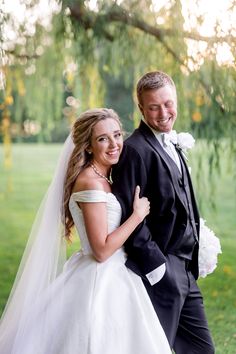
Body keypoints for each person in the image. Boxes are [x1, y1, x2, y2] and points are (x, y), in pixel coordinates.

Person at [0, 108, 172, 354]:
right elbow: (100, 250)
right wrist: (136, 216)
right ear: (89, 146)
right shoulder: (90, 182)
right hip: (100, 276)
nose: (114, 144)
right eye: (103, 139)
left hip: (119, 271)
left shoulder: (106, 176)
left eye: (117, 135)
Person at [112, 71, 215, 353]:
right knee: (153, 348)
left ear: (176, 100)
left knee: (201, 348)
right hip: (161, 270)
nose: (163, 113)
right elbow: (127, 212)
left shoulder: (172, 142)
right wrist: (158, 269)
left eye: (168, 103)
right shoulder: (134, 150)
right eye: (154, 107)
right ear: (141, 109)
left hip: (185, 269)